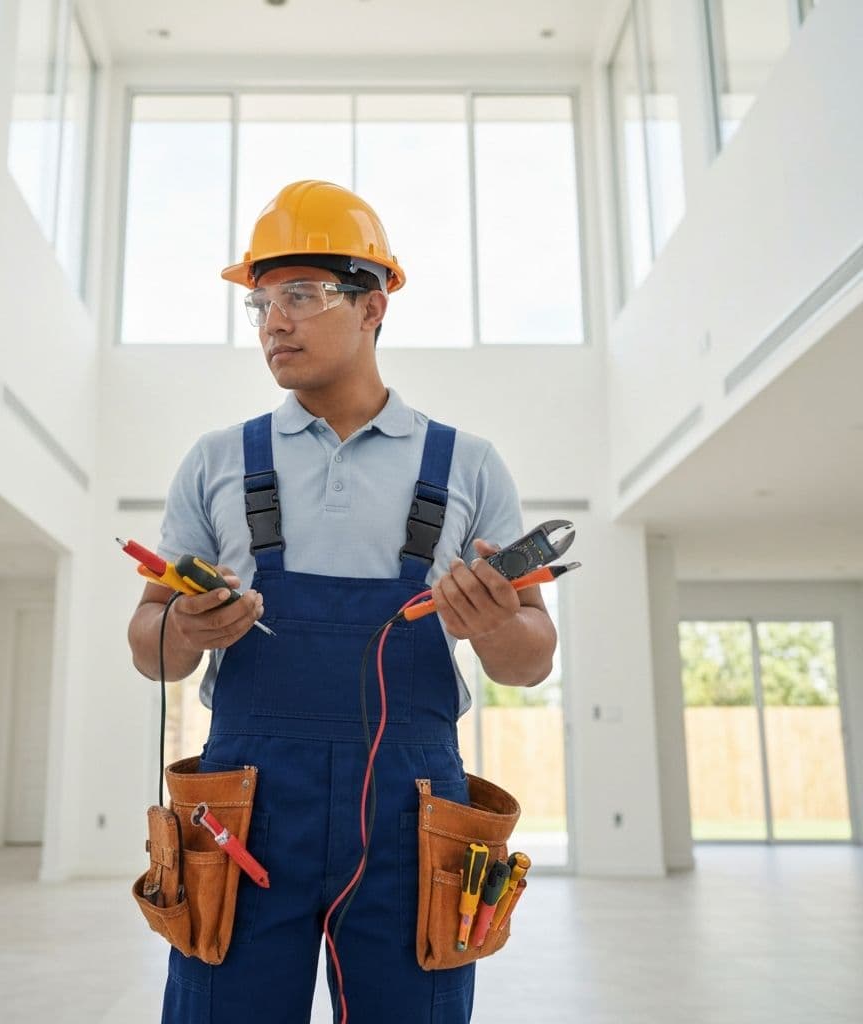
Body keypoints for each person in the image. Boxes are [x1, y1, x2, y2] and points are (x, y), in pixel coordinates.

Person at [127, 179, 557, 1024]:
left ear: (374, 307)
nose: (273, 323)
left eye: (301, 295)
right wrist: (185, 625)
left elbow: (532, 661)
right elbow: (149, 645)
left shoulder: (468, 466)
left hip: (412, 812)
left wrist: (494, 623)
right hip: (245, 812)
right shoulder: (216, 461)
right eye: (260, 304)